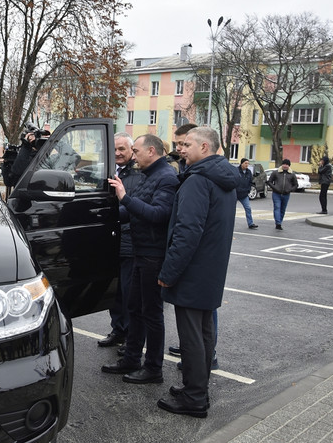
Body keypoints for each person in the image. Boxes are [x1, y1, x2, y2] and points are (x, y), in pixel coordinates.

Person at [157, 127, 238, 418]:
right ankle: (196, 388)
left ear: (204, 147)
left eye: (187, 144)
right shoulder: (223, 177)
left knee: (191, 338)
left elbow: (187, 232)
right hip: (211, 271)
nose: (181, 149)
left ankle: (194, 398)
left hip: (192, 272)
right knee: (204, 335)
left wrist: (169, 272)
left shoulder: (197, 181)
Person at [102, 134, 179, 385]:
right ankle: (131, 359)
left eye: (136, 151)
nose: (133, 156)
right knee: (134, 308)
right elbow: (135, 211)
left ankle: (153, 368)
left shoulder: (166, 177)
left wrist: (124, 198)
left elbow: (157, 215)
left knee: (151, 314)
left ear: (152, 151)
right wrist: (106, 214)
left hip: (152, 256)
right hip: (140, 251)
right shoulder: (150, 176)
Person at [98, 133, 144, 348]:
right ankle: (118, 330)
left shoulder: (139, 174)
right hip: (109, 241)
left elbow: (134, 207)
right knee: (113, 293)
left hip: (128, 242)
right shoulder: (105, 171)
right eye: (114, 149)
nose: (117, 153)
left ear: (132, 150)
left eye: (122, 149)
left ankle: (130, 338)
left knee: (128, 294)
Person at [266, 159, 299, 230]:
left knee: (283, 209)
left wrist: (290, 190)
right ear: (282, 165)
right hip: (276, 194)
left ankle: (280, 222)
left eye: (287, 165)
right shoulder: (276, 172)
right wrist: (275, 188)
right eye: (284, 164)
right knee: (277, 207)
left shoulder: (292, 174)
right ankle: (278, 223)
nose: (285, 166)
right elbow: (269, 182)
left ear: (289, 166)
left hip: (286, 194)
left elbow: (296, 185)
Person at [236, 158, 259, 229]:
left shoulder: (249, 172)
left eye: (248, 163)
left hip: (244, 194)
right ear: (241, 163)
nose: (247, 165)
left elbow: (250, 182)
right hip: (235, 193)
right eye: (245, 163)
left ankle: (250, 223)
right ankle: (228, 223)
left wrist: (248, 190)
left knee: (248, 208)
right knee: (231, 209)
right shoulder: (236, 171)